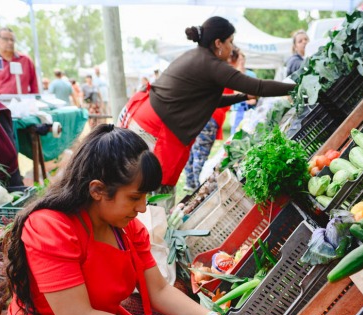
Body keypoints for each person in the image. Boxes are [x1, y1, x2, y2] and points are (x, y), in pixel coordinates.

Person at [0, 125, 258, 315]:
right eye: (135, 197)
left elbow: (158, 290)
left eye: (145, 196)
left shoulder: (126, 229)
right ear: (97, 190)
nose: (143, 208)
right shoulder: (51, 227)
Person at [118, 16, 294, 187]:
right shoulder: (212, 65)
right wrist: (293, 86)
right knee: (153, 190)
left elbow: (211, 101)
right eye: (230, 41)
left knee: (141, 186)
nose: (232, 48)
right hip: (155, 128)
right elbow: (259, 87)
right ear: (218, 43)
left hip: (145, 117)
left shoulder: (196, 56)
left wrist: (242, 96)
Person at [183, 48, 239, 192]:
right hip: (211, 117)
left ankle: (191, 182)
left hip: (201, 115)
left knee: (194, 150)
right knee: (200, 154)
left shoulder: (213, 69)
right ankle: (197, 186)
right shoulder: (226, 72)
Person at [0, 27, 39, 95]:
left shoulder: (26, 60)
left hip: (22, 103)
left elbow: (34, 86)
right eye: (5, 39)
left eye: (12, 39)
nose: (10, 42)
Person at [231, 50, 258, 135]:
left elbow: (254, 95)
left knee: (249, 133)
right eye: (239, 60)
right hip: (237, 110)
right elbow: (235, 93)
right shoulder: (232, 74)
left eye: (242, 59)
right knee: (235, 134)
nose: (241, 62)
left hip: (250, 110)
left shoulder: (251, 75)